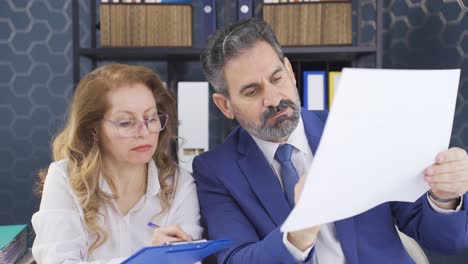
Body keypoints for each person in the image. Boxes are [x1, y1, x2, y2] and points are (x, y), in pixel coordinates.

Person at [193, 18, 468, 263]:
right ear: (224, 105)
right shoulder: (216, 170)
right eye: (252, 91)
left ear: (290, 71)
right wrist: (297, 235)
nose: (274, 99)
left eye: (277, 78)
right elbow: (235, 259)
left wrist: (444, 198)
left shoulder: (360, 130)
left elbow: (445, 241)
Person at [32, 64, 203, 263]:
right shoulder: (64, 178)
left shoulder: (180, 184)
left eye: (151, 118)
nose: (145, 132)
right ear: (93, 129)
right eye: (126, 123)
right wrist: (147, 260)